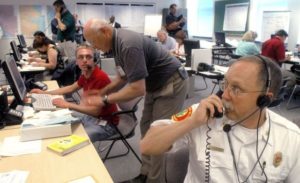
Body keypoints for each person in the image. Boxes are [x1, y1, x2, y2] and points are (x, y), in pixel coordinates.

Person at [140, 55, 300, 183]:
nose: (224, 95)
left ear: (264, 99)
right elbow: (147, 146)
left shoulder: (290, 137)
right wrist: (191, 122)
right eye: (226, 84)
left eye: (236, 89)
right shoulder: (202, 114)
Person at [83, 18, 188, 183]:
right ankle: (145, 174)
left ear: (105, 31)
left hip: (171, 82)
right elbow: (123, 77)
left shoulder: (127, 44)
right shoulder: (116, 44)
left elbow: (137, 89)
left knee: (158, 134)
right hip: (154, 84)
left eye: (94, 42)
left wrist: (104, 99)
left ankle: (155, 180)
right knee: (146, 127)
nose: (94, 47)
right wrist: (102, 91)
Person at [30, 44, 119, 142]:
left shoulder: (100, 78)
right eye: (81, 57)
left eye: (88, 57)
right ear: (76, 61)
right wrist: (44, 93)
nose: (84, 60)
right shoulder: (86, 73)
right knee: (59, 118)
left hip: (105, 124)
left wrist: (68, 104)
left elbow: (95, 111)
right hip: (90, 117)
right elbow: (71, 88)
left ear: (94, 60)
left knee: (72, 142)